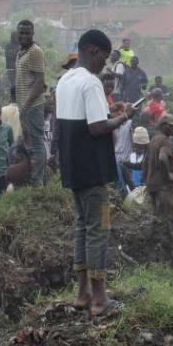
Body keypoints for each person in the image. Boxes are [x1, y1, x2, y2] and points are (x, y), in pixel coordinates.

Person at [56, 29, 135, 314]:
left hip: (73, 169)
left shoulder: (65, 80)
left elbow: (87, 120)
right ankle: (100, 299)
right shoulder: (90, 83)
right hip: (94, 171)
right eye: (104, 55)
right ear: (92, 50)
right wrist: (124, 117)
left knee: (82, 227)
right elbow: (97, 127)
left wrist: (111, 113)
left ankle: (82, 293)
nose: (105, 63)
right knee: (99, 229)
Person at [16, 19, 48, 186]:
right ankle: (33, 179)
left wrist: (26, 105)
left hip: (33, 106)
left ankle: (38, 181)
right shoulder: (21, 52)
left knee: (36, 143)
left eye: (27, 33)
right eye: (21, 32)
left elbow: (39, 82)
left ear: (33, 34)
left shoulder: (36, 52)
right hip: (25, 107)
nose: (24, 36)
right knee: (28, 143)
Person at [145, 114, 173, 227]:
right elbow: (162, 156)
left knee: (156, 219)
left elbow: (146, 161)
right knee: (167, 221)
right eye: (172, 126)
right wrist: (169, 172)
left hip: (152, 184)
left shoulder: (154, 139)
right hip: (163, 186)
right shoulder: (166, 141)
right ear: (164, 126)